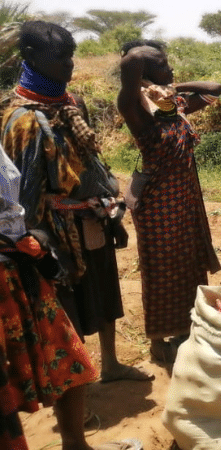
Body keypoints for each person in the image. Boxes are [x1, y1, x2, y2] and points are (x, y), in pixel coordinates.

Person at [1, 21, 152, 383]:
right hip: (55, 230)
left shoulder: (72, 104)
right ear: (31, 58)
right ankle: (71, 386)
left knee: (104, 293)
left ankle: (111, 364)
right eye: (61, 58)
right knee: (64, 305)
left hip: (91, 218)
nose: (69, 65)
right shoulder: (23, 120)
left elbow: (93, 165)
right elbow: (23, 192)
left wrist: (110, 214)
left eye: (72, 56)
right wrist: (38, 245)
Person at [0, 143, 140, 450]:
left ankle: (76, 444)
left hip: (21, 262)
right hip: (12, 267)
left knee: (68, 357)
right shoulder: (28, 124)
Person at [117, 40, 221, 363]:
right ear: (144, 73)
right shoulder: (136, 109)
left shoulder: (173, 105)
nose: (170, 67)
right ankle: (158, 341)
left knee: (188, 267)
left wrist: (171, 85)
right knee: (161, 271)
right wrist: (144, 69)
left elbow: (214, 89)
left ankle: (185, 330)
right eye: (163, 64)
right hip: (158, 207)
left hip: (185, 202)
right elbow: (131, 61)